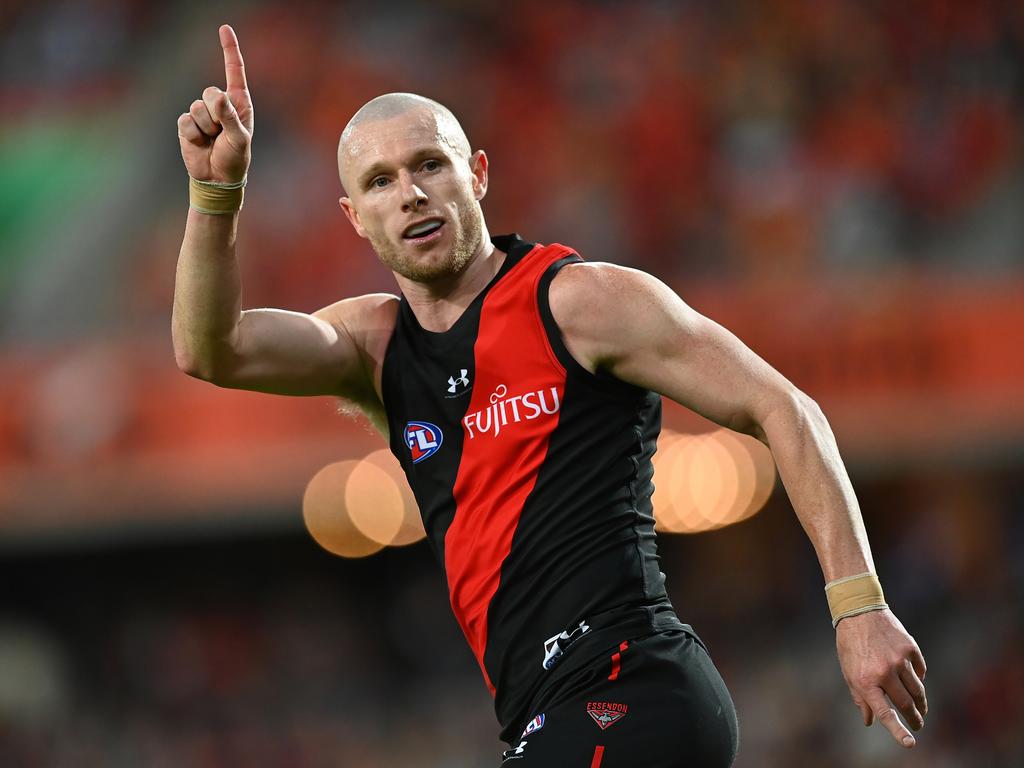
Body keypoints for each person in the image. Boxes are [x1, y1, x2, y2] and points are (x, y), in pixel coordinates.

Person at [173, 25, 928, 768]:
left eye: (429, 165)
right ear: (354, 217)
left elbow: (786, 408)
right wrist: (216, 192)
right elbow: (212, 349)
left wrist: (858, 605)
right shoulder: (373, 347)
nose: (410, 195)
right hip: (547, 715)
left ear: (477, 175)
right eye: (381, 182)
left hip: (633, 687)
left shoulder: (577, 302)